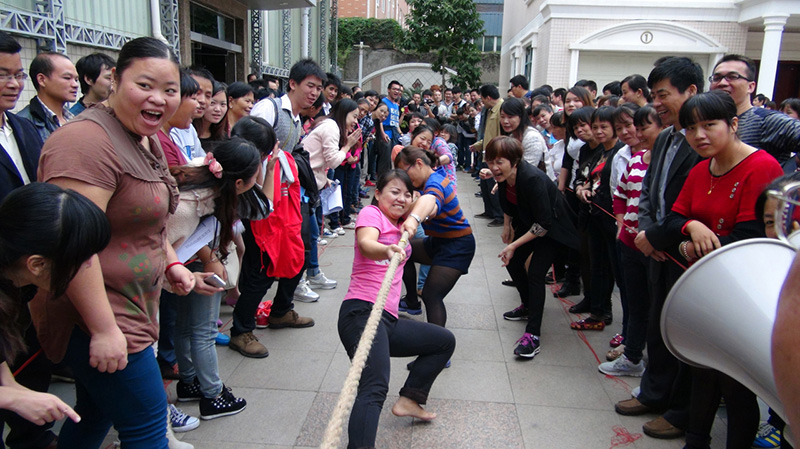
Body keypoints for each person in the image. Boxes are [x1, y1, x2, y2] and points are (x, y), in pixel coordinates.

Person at [29, 37, 200, 449]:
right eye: (144, 85)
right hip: (97, 314)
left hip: (132, 304)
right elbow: (72, 245)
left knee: (94, 414)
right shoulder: (84, 143)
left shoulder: (145, 135)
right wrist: (104, 330)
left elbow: (144, 221)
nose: (158, 99)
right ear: (115, 79)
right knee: (147, 427)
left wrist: (171, 263)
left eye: (170, 89)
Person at [657, 90, 782, 448]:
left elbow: (747, 239)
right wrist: (691, 228)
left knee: (736, 383)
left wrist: (684, 245)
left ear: (734, 124)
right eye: (690, 128)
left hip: (746, 293)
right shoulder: (701, 168)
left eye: (709, 125)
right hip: (709, 289)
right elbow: (672, 220)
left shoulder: (761, 167)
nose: (699, 135)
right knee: (703, 370)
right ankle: (696, 440)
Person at [618, 56, 705, 440]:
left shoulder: (702, 142)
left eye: (663, 95)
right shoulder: (666, 137)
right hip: (656, 246)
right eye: (653, 95)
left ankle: (679, 410)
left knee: (682, 333)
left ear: (691, 91)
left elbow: (693, 205)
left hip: (685, 251)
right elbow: (650, 192)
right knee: (658, 325)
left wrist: (660, 237)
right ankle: (653, 393)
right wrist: (648, 233)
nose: (656, 104)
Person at [338, 169, 454, 449]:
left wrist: (414, 214)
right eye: (394, 191)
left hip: (388, 320)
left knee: (443, 341)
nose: (401, 198)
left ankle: (410, 399)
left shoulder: (403, 224)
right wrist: (386, 250)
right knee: (374, 385)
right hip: (362, 313)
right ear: (378, 194)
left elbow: (430, 201)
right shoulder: (372, 214)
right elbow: (366, 244)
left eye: (406, 194)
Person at [0, 184, 107, 435]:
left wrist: (9, 384)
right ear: (37, 264)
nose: (88, 266)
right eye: (80, 259)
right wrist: (11, 398)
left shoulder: (15, 281)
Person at [169, 138, 260, 419]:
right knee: (204, 330)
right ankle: (213, 395)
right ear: (239, 183)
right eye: (255, 175)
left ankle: (189, 381)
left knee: (186, 326)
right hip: (182, 264)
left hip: (185, 263)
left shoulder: (205, 173)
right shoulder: (191, 204)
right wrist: (209, 258)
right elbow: (163, 243)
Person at [483, 136, 578, 357]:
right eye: (490, 161)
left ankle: (533, 335)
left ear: (514, 161)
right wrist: (507, 227)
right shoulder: (504, 178)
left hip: (553, 230)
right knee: (513, 263)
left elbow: (544, 224)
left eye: (499, 162)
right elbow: (509, 206)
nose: (494, 167)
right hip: (530, 225)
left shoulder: (532, 179)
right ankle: (527, 305)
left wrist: (513, 245)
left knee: (535, 272)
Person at [394, 146, 475, 329]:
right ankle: (412, 302)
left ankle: (439, 344)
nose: (405, 179)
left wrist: (414, 218)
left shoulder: (435, 182)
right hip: (438, 241)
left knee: (431, 295)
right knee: (403, 251)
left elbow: (431, 200)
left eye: (405, 172)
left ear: (419, 163)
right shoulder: (424, 183)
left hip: (458, 246)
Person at [709, 54, 800, 164]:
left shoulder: (766, 121)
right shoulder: (706, 122)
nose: (722, 83)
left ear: (751, 86)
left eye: (733, 77)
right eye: (717, 78)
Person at [17, 52, 78, 141]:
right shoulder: (23, 124)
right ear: (42, 80)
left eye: (76, 80)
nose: (75, 85)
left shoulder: (74, 118)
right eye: (67, 78)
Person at [472, 85, 505, 227]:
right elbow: (488, 134)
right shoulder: (490, 110)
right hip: (486, 153)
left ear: (488, 97)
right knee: (485, 185)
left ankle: (499, 215)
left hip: (495, 155)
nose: (482, 102)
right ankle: (489, 211)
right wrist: (479, 145)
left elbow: (500, 135)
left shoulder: (501, 109)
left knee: (493, 186)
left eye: (482, 99)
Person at [499, 97, 552, 179]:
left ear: (521, 117)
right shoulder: (512, 137)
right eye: (502, 117)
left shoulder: (532, 137)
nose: (505, 121)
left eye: (510, 117)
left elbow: (528, 170)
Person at [194, 81, 228, 150]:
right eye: (212, 103)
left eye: (222, 104)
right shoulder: (188, 133)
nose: (218, 109)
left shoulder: (224, 139)